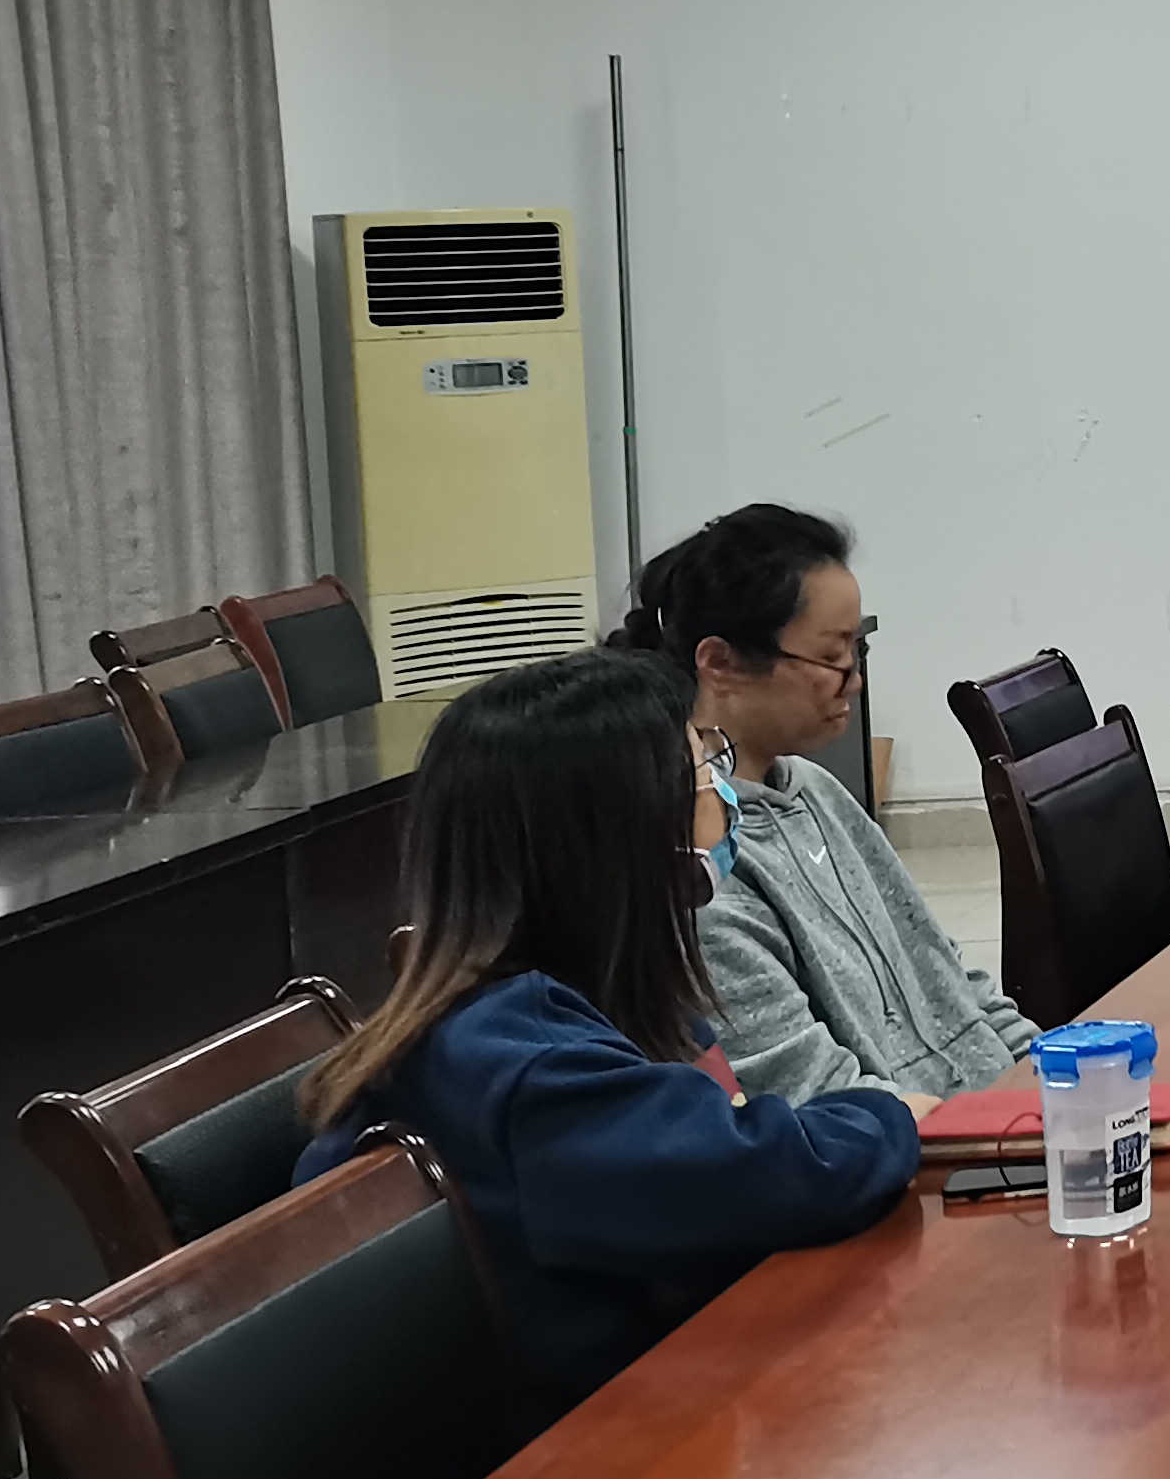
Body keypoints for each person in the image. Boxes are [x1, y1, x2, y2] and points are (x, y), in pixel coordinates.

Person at [294, 651, 916, 1423]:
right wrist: (890, 1116)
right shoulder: (523, 1059)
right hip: (566, 1463)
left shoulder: (576, 996)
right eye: (704, 770)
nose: (722, 793)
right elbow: (767, 1178)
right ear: (621, 836)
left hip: (624, 1405)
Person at [616, 503, 1029, 1106]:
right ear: (720, 663)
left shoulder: (813, 788)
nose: (854, 680)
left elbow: (950, 977)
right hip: (913, 1146)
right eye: (833, 658)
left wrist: (1055, 1069)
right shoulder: (701, 870)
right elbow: (814, 1097)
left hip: (990, 1120)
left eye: (855, 652)